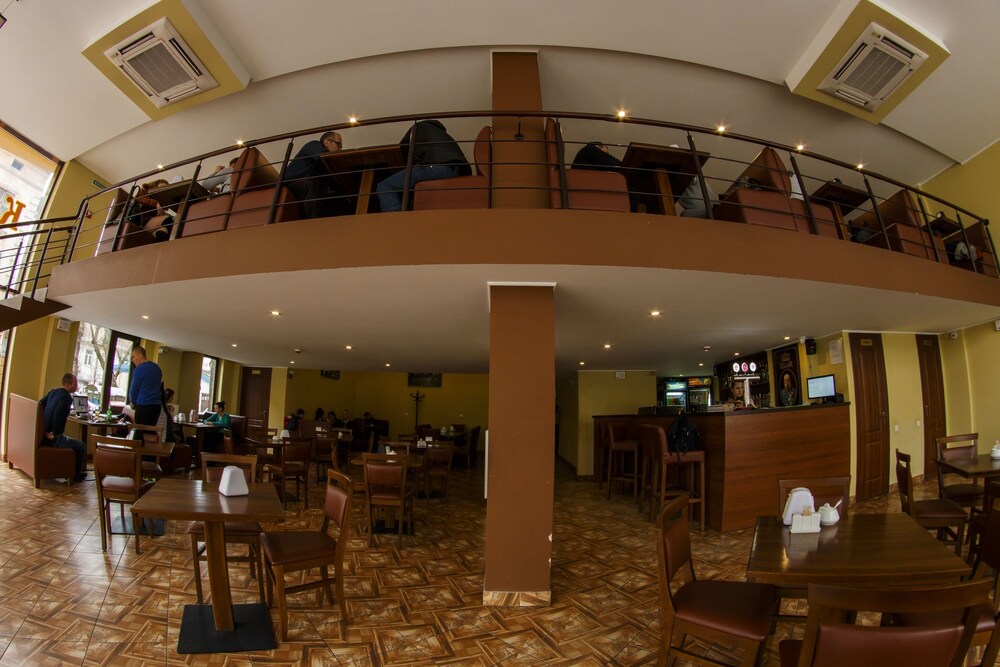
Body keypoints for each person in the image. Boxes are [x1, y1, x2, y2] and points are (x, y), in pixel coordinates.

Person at [376, 120, 470, 212]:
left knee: (385, 186)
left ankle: (397, 220)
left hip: (436, 167)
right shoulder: (443, 136)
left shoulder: (418, 128)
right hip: (457, 171)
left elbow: (405, 149)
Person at [39, 373, 88, 482]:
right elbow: (58, 416)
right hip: (52, 439)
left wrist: (42, 428)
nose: (77, 386)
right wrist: (55, 434)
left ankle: (70, 471)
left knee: (74, 442)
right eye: (75, 384)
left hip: (44, 434)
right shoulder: (66, 398)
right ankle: (75, 475)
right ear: (67, 385)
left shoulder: (53, 392)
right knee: (81, 446)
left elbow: (40, 404)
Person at [285, 131, 345, 218]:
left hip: (308, 187)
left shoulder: (326, 167)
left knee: (339, 199)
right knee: (312, 184)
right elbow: (322, 156)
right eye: (339, 144)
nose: (340, 149)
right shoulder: (314, 145)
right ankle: (312, 222)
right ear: (326, 142)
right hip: (291, 183)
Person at [129, 346, 162, 434]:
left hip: (143, 406)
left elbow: (134, 389)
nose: (133, 360)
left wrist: (133, 402)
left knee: (140, 434)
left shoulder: (139, 369)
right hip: (156, 407)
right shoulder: (157, 368)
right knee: (150, 432)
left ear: (140, 356)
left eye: (134, 357)